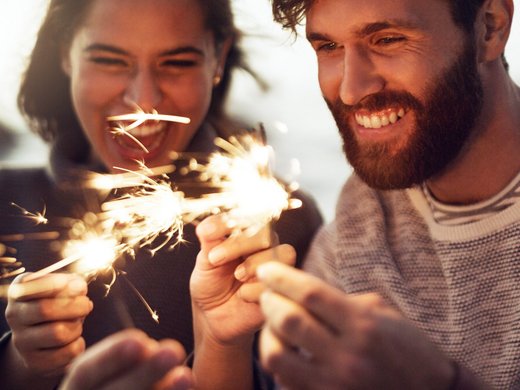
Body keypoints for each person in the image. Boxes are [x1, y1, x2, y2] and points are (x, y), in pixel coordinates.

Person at [0, 0, 322, 388]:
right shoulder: (6, 205)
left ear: (217, 59)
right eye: (110, 61)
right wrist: (20, 364)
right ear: (64, 54)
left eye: (177, 63)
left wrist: (223, 347)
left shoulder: (283, 231)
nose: (144, 103)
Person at [252, 0, 519, 389]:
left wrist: (440, 383)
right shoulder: (362, 214)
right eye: (328, 47)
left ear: (490, 28)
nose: (350, 90)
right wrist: (222, 340)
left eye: (388, 39)